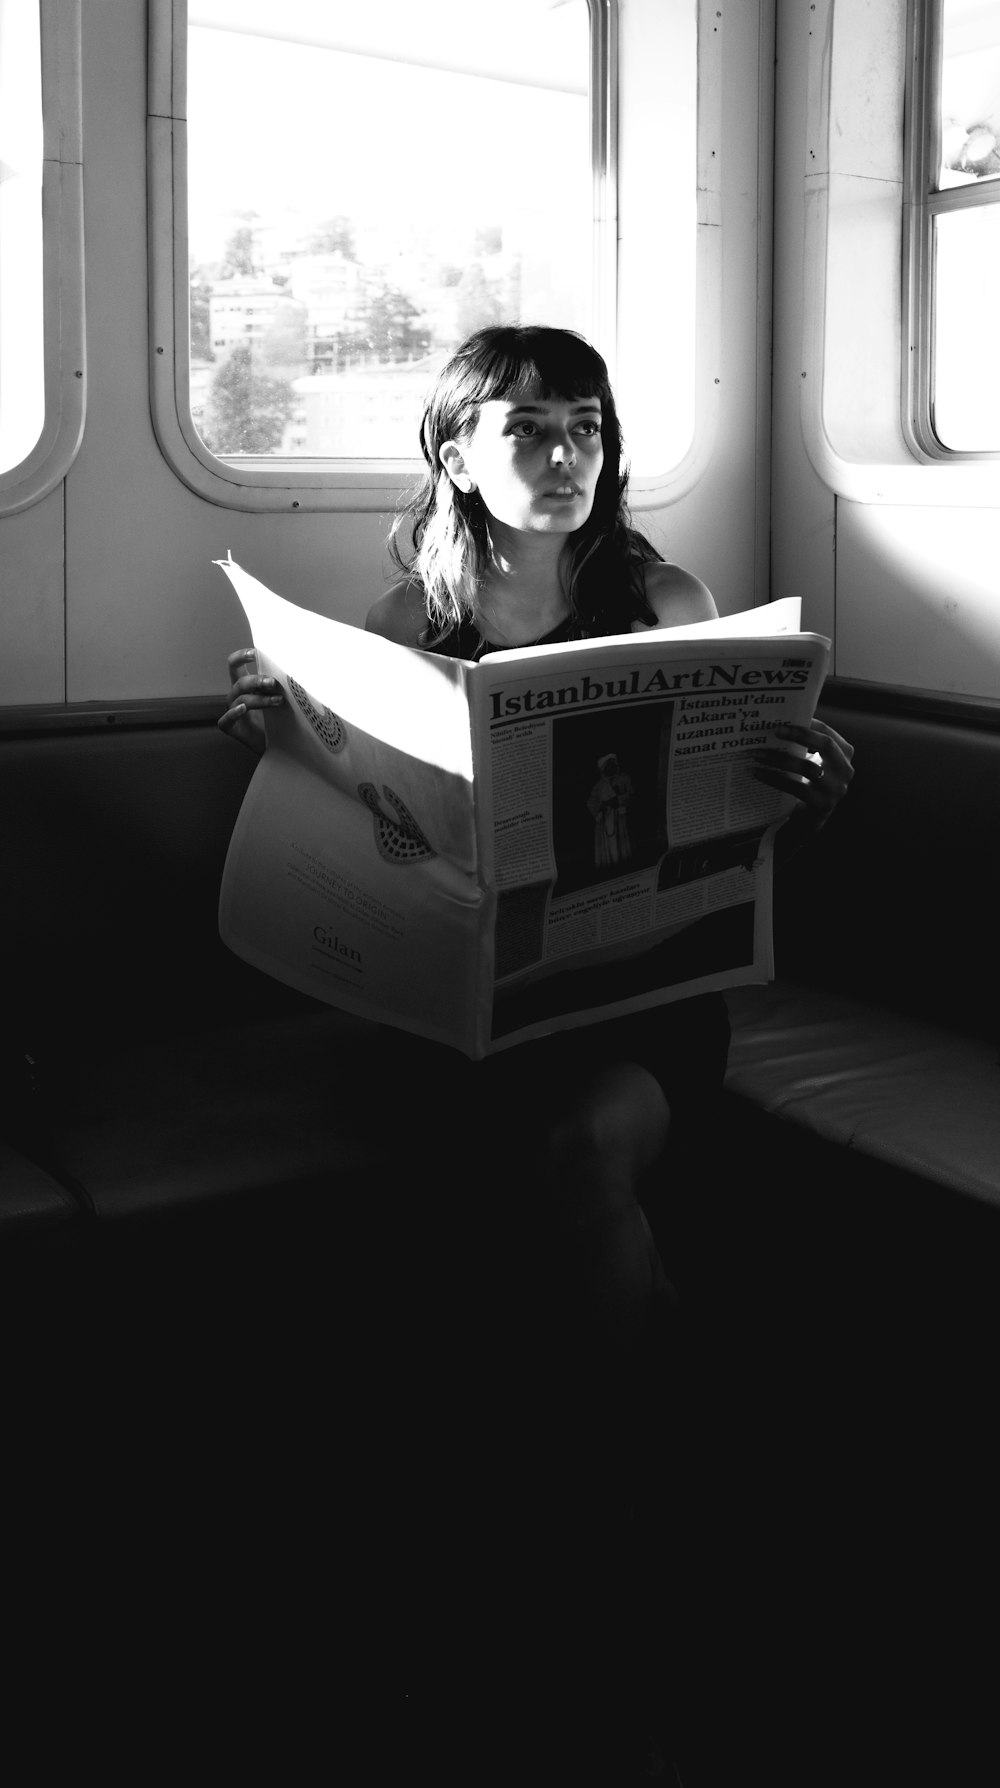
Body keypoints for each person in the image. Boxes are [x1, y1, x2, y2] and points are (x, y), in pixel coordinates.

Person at [219, 325, 854, 1757]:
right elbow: (382, 824)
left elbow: (729, 828)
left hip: (639, 1002)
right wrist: (282, 743)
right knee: (503, 1173)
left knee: (576, 1151)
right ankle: (659, 1410)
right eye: (530, 430)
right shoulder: (406, 618)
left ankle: (604, 1508)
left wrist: (806, 794)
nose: (568, 456)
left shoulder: (663, 595)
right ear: (456, 454)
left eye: (587, 426)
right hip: (458, 1003)